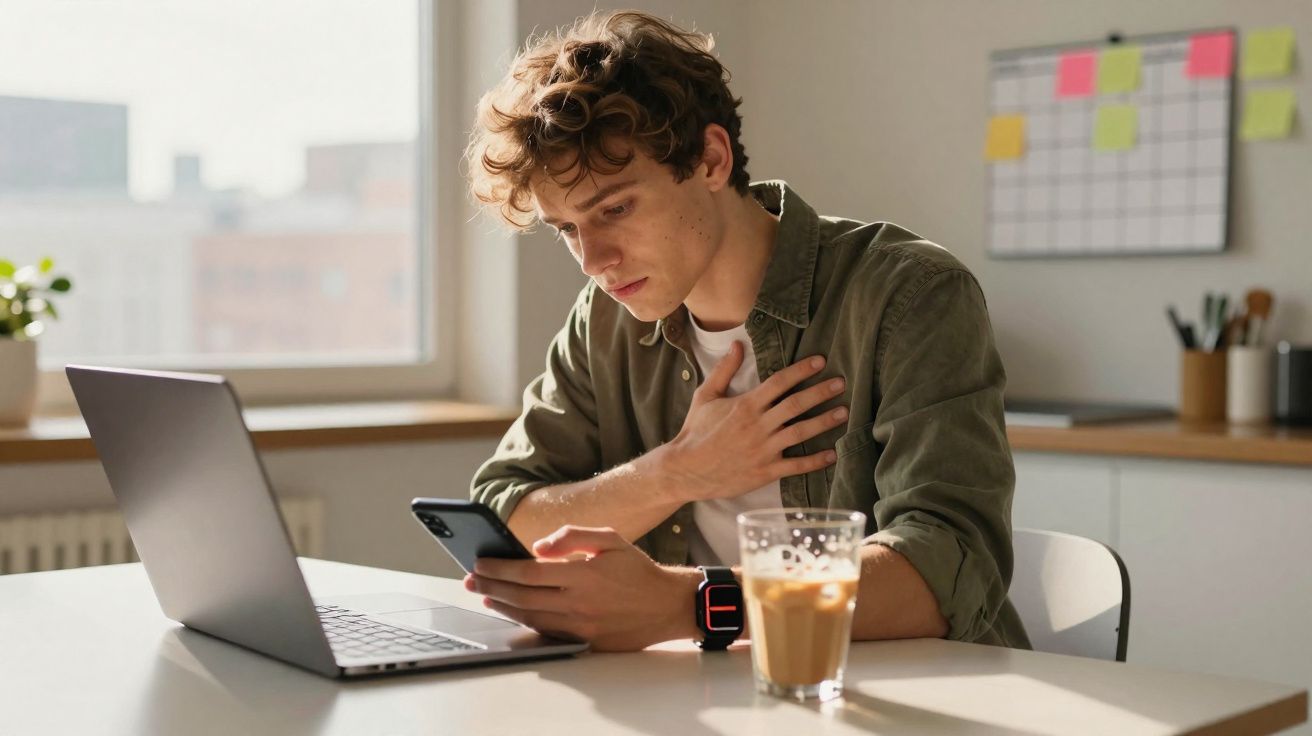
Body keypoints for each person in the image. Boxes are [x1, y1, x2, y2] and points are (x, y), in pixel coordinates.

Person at [462, 10, 1029, 652]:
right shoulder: (605, 321)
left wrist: (692, 604)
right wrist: (676, 473)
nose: (594, 261)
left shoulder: (909, 294)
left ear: (711, 158)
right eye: (567, 228)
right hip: (703, 698)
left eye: (615, 208)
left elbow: (943, 569)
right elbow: (505, 517)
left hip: (923, 698)